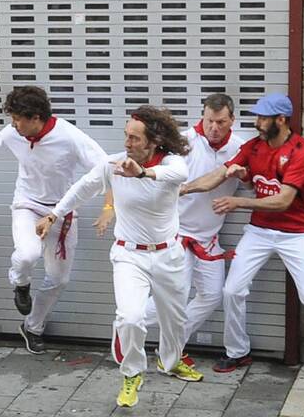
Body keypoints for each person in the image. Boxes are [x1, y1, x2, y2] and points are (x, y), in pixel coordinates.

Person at [180, 93, 304, 389]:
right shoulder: (253, 147)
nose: (257, 123)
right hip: (259, 231)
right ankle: (237, 352)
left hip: (296, 233)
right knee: (232, 290)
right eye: (257, 117)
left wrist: (238, 202)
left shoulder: (300, 150)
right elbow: (218, 174)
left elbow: (283, 201)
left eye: (263, 118)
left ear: (281, 120)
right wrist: (181, 190)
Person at [35, 106, 199, 408]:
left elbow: (179, 174)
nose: (127, 143)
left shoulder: (171, 162)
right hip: (128, 255)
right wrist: (53, 215)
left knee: (175, 322)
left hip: (169, 257)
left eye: (135, 138)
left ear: (153, 141)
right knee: (130, 317)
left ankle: (170, 361)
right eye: (126, 136)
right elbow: (81, 189)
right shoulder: (112, 164)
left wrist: (144, 172)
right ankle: (132, 373)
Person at [0, 86, 107, 355]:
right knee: (27, 254)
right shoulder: (14, 133)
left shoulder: (70, 137)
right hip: (27, 205)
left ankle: (32, 327)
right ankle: (20, 283)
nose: (13, 124)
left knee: (59, 279)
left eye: (17, 119)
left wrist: (109, 205)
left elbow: (105, 169)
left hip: (62, 212)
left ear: (36, 118)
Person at [120, 94, 248, 366]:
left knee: (212, 295)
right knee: (169, 301)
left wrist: (243, 177)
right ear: (202, 116)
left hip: (208, 239)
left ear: (232, 121)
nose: (214, 128)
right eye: (209, 121)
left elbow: (251, 181)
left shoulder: (240, 147)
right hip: (176, 236)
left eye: (221, 122)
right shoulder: (183, 144)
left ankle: (170, 347)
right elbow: (151, 176)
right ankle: (126, 327)